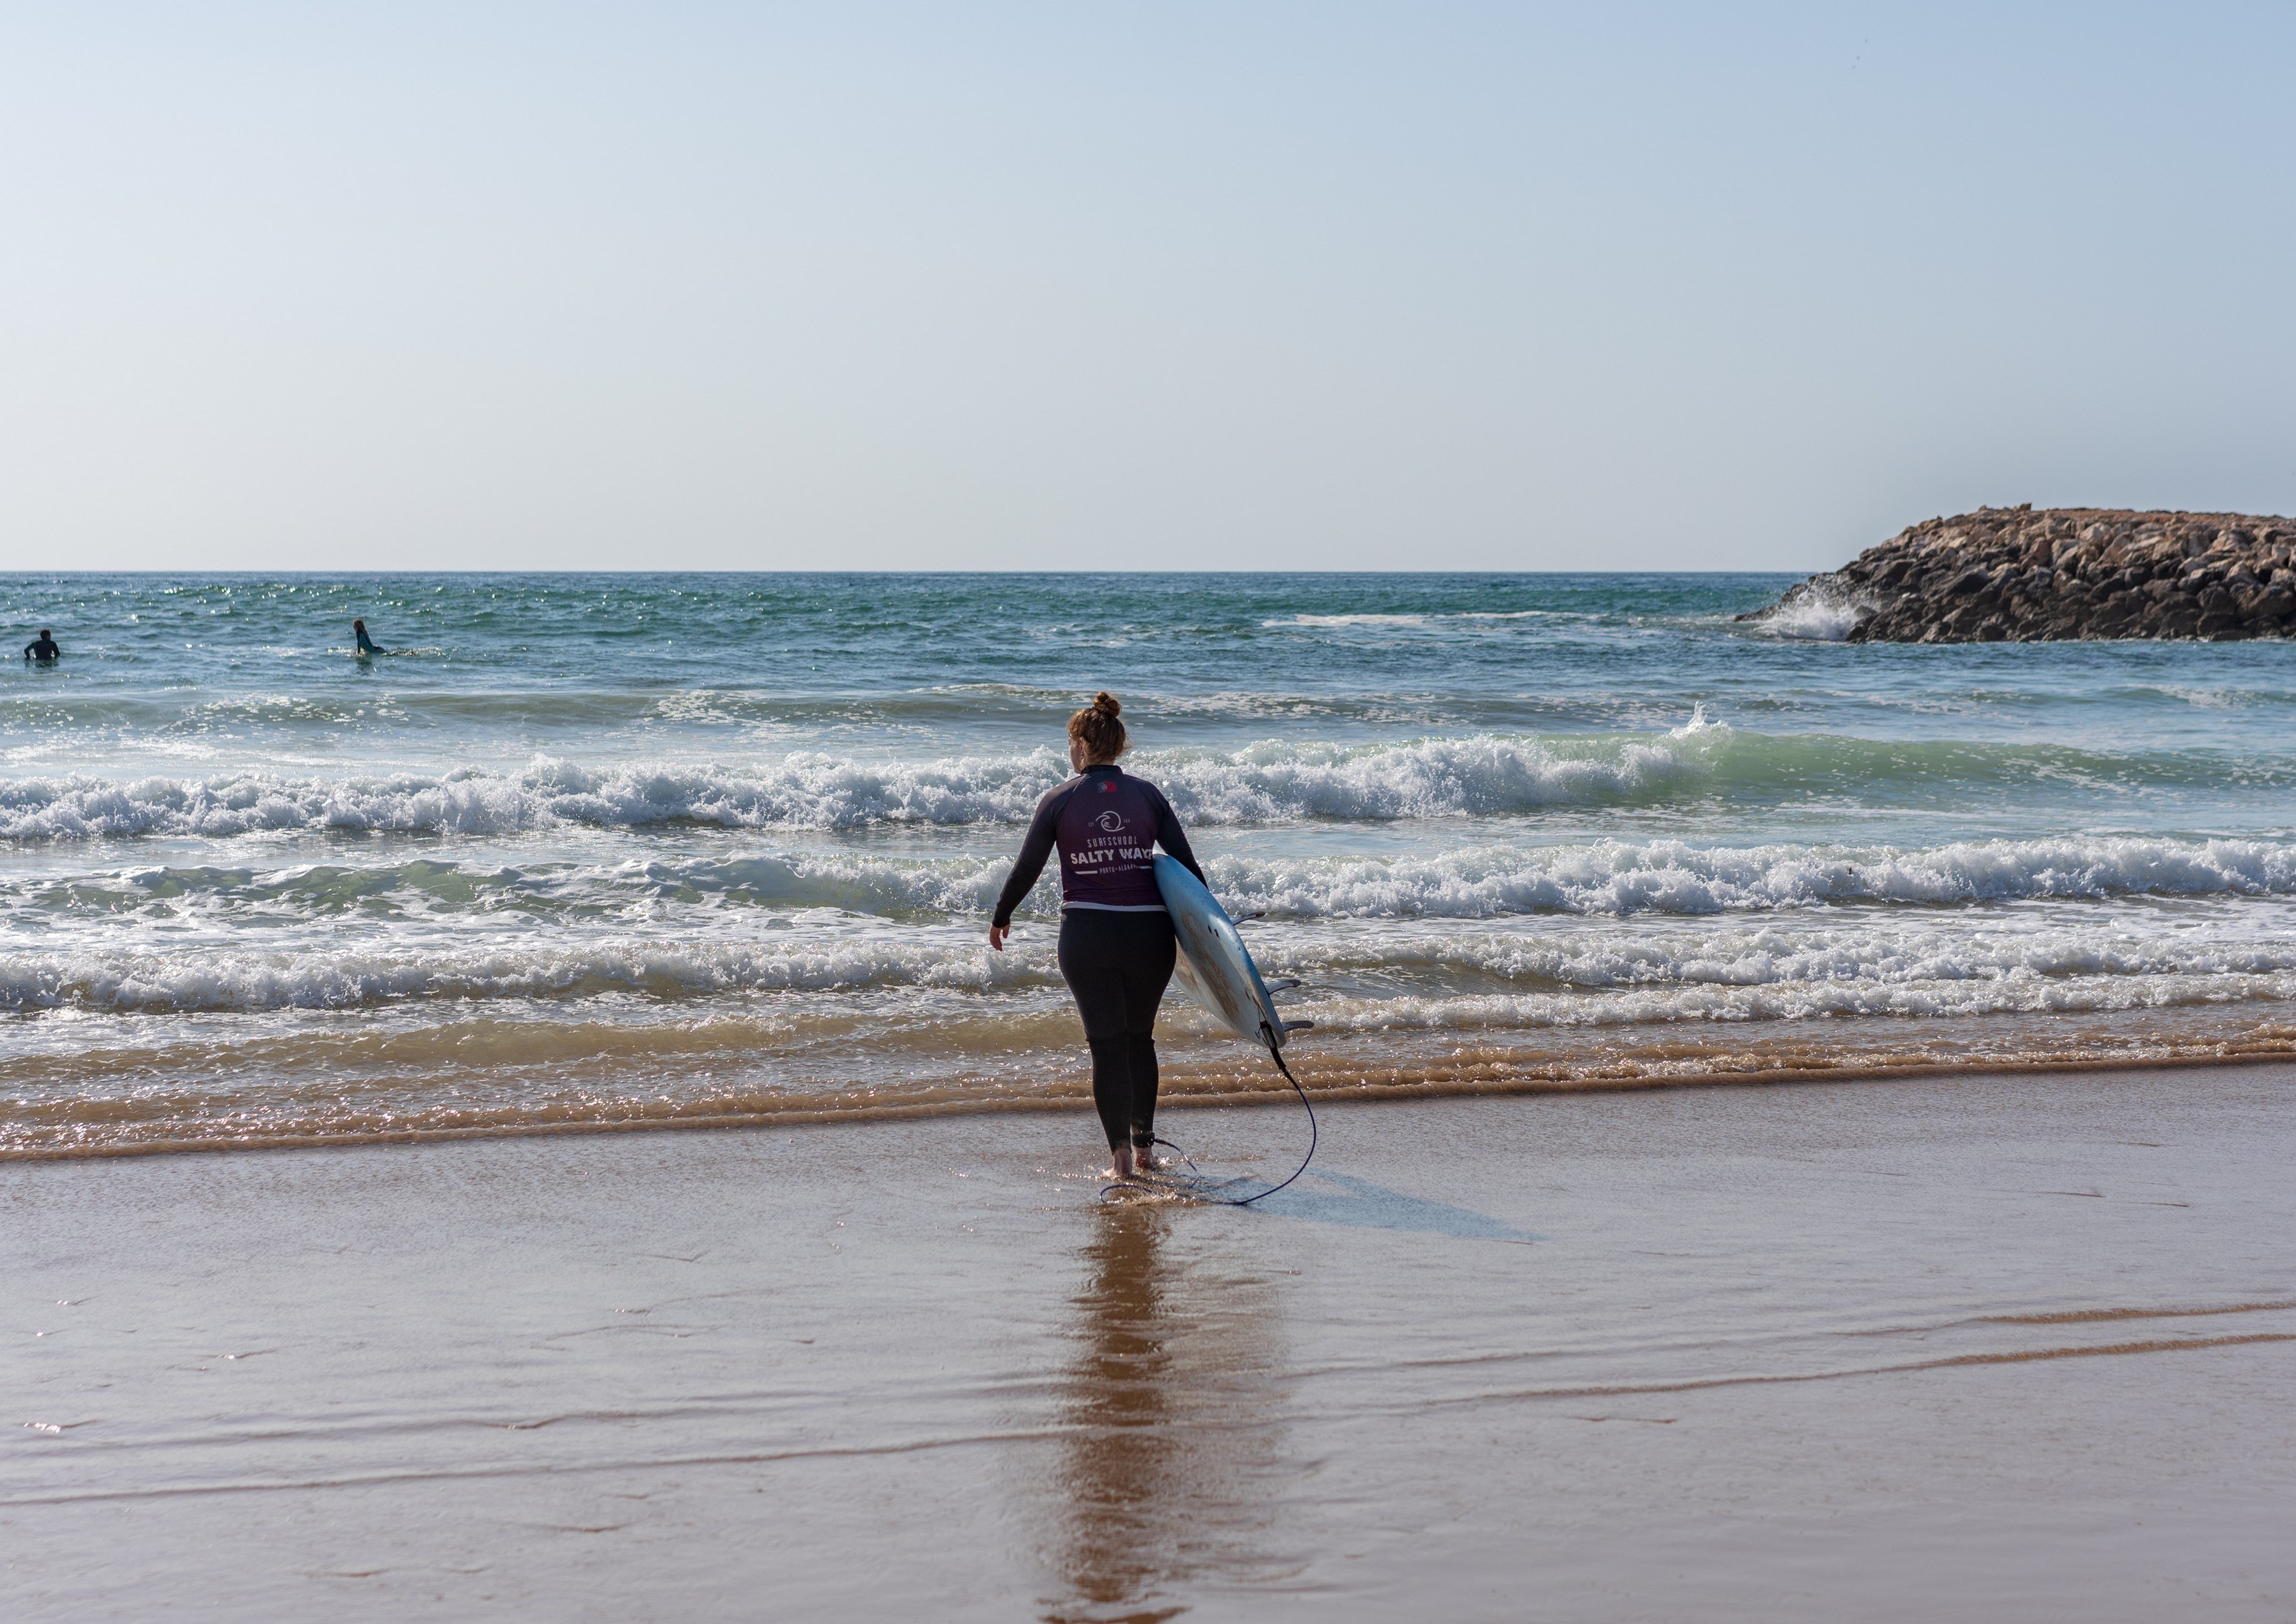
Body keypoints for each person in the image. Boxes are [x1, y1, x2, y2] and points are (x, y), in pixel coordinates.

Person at [990, 693, 1205, 1180]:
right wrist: (1209, 939)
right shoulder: (1148, 796)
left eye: (1070, 743)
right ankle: (1145, 1150)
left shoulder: (1059, 799)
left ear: (1081, 744)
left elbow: (1027, 867)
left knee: (1107, 1045)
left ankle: (1120, 1160)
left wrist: (1002, 916)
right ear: (1118, 745)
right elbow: (1187, 869)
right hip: (1149, 936)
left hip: (1088, 936)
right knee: (1139, 1040)